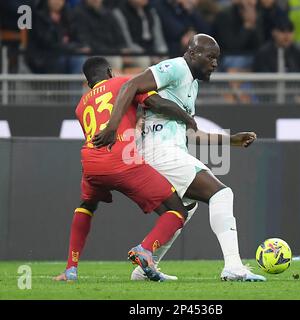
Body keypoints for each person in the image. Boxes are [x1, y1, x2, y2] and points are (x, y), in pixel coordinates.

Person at [93, 34, 266, 282]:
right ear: (193, 54)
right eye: (211, 57)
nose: (215, 64)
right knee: (221, 194)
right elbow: (129, 86)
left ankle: (144, 268)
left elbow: (191, 132)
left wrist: (231, 140)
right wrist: (112, 127)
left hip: (165, 151)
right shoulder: (175, 67)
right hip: (159, 149)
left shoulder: (191, 85)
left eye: (217, 59)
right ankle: (233, 266)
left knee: (186, 208)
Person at [53, 56, 198, 282]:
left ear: (88, 82)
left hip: (91, 163)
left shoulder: (81, 105)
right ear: (110, 72)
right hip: (121, 159)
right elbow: (156, 103)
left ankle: (71, 269)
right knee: (177, 211)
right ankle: (146, 250)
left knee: (86, 206)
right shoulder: (123, 83)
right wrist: (186, 117)